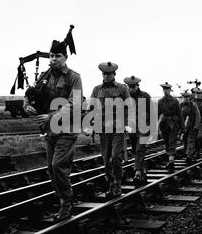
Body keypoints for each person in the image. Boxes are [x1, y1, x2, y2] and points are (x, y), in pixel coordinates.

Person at [24, 38, 83, 221]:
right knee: (51, 168)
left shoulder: (74, 77)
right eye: (51, 56)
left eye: (57, 56)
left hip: (67, 128)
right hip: (50, 130)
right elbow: (30, 95)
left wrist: (52, 115)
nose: (54, 59)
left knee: (59, 166)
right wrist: (27, 105)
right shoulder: (45, 76)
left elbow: (76, 102)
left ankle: (66, 201)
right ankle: (62, 199)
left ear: (65, 58)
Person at [86, 62, 134, 198]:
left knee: (116, 157)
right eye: (104, 74)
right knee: (106, 159)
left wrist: (128, 124)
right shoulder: (97, 90)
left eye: (109, 74)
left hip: (118, 127)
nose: (106, 76)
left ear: (114, 74)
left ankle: (117, 183)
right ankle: (111, 183)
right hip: (103, 128)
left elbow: (129, 108)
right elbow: (92, 109)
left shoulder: (122, 89)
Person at [124, 75, 152, 186]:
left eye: (133, 86)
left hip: (144, 127)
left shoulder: (145, 96)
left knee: (140, 149)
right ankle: (143, 172)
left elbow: (151, 113)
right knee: (136, 150)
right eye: (129, 87)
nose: (131, 89)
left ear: (137, 86)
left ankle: (138, 172)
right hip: (132, 128)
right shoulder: (126, 98)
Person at [158, 82, 184, 171]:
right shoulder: (160, 101)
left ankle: (171, 161)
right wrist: (158, 127)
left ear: (170, 90)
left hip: (173, 124)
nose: (165, 91)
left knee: (172, 142)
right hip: (164, 124)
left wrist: (182, 128)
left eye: (167, 89)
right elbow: (158, 115)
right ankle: (170, 158)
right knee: (166, 143)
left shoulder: (175, 101)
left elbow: (180, 115)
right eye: (164, 89)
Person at [179, 91, 200, 164]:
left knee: (190, 141)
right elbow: (178, 117)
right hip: (183, 128)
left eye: (187, 97)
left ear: (189, 98)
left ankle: (189, 156)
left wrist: (196, 126)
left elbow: (198, 116)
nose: (185, 99)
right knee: (184, 141)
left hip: (192, 127)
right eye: (184, 97)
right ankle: (188, 154)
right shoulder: (180, 105)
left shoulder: (193, 105)